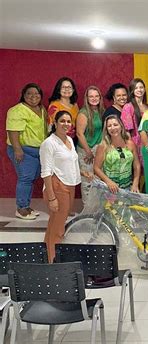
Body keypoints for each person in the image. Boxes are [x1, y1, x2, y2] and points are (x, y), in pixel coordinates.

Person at [40, 111, 81, 262]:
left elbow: (71, 162)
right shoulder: (49, 143)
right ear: (55, 123)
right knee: (58, 229)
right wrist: (52, 198)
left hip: (69, 186)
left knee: (54, 224)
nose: (66, 124)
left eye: (68, 121)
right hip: (57, 187)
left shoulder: (69, 140)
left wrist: (84, 173)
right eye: (62, 121)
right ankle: (54, 263)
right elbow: (46, 172)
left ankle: (46, 257)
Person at [6, 83, 48, 220]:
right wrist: (17, 149)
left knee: (32, 177)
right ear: (23, 95)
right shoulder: (17, 110)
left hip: (38, 150)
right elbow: (13, 131)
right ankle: (21, 208)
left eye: (36, 94)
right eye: (29, 93)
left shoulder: (41, 109)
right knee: (26, 178)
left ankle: (26, 205)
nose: (33, 96)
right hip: (23, 149)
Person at [94, 115, 140, 193]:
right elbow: (96, 168)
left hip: (128, 187)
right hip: (110, 188)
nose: (113, 128)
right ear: (106, 129)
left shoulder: (130, 144)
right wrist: (108, 182)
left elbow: (137, 165)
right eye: (109, 126)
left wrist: (135, 183)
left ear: (121, 126)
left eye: (115, 125)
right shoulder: (103, 146)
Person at [75, 86, 104, 203]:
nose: (94, 98)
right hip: (86, 150)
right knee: (87, 179)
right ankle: (87, 208)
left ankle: (96, 206)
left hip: (98, 149)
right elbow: (79, 133)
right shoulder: (84, 113)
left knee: (97, 179)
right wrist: (88, 151)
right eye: (91, 96)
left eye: (96, 96)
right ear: (86, 98)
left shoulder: (101, 111)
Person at [121, 78, 148, 165]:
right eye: (136, 88)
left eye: (141, 87)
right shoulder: (128, 107)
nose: (139, 90)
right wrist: (132, 148)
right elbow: (127, 132)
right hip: (135, 143)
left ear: (144, 89)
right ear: (132, 90)